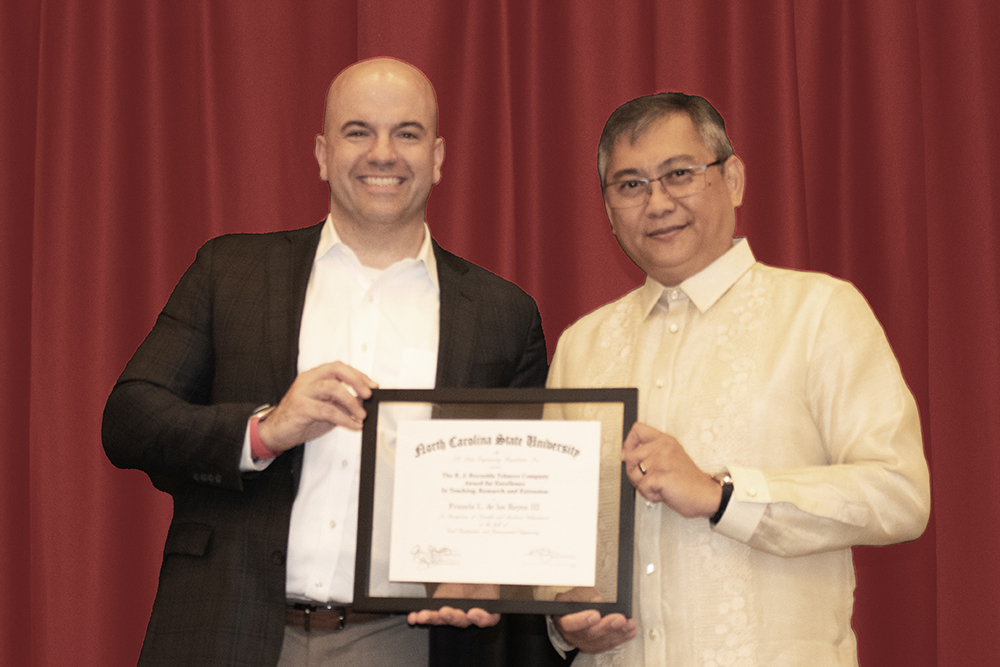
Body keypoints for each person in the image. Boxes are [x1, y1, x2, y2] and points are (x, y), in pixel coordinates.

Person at [102, 57, 560, 667]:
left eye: (407, 133)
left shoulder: (505, 315)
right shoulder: (230, 272)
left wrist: (490, 573)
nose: (383, 153)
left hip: (407, 642)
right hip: (228, 627)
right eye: (358, 131)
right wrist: (265, 431)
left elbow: (516, 502)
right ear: (321, 153)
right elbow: (129, 419)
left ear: (439, 156)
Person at [545, 92, 931, 666]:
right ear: (607, 209)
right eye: (630, 185)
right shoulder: (582, 345)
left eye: (678, 174)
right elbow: (554, 535)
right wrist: (564, 619)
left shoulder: (819, 312)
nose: (657, 203)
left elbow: (899, 495)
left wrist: (724, 495)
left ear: (734, 180)